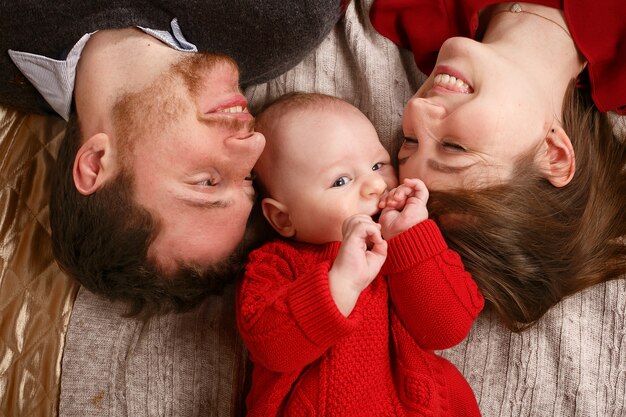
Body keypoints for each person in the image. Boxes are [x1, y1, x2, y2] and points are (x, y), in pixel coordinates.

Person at [0, 1, 347, 315]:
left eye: (207, 182)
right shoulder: (283, 18)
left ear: (94, 163)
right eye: (247, 179)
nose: (254, 143)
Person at [370, 0, 626, 331]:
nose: (418, 109)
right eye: (454, 146)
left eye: (410, 141)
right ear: (553, 154)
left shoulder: (409, 11)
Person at [236, 92, 484, 416]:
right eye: (341, 180)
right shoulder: (276, 265)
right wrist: (341, 284)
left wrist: (410, 236)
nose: (375, 186)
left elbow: (446, 329)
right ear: (283, 219)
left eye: (378, 165)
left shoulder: (404, 248)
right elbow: (270, 346)